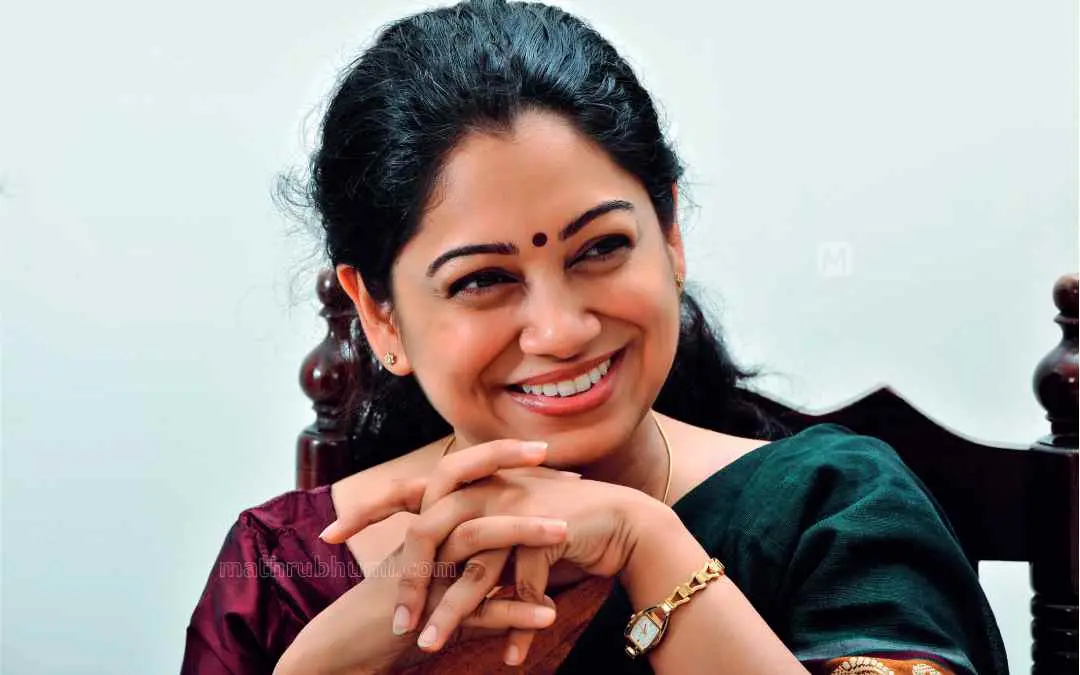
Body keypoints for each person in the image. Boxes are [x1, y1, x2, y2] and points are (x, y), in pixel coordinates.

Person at [182, 1, 1009, 673]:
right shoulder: (286, 574)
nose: (561, 329)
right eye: (482, 279)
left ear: (670, 234)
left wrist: (644, 545)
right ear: (380, 316)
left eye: (600, 248)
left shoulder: (832, 511)